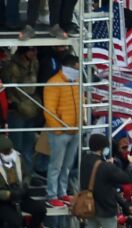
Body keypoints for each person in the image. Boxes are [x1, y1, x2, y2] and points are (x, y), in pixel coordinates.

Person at [42, 55, 80, 201]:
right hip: (61, 133)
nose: (78, 70)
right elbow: (49, 110)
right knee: (55, 166)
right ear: (69, 67)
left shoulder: (76, 81)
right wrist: (58, 129)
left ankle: (62, 192)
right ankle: (52, 194)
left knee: (67, 165)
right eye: (76, 67)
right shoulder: (53, 83)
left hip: (75, 130)